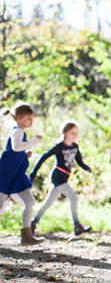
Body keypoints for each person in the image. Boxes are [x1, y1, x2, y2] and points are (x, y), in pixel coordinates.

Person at [29, 120, 93, 236]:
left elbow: (79, 161)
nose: (75, 135)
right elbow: (43, 157)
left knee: (48, 202)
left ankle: (33, 223)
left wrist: (86, 167)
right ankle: (77, 226)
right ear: (65, 133)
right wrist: (33, 173)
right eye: (72, 133)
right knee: (74, 198)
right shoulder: (59, 147)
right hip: (58, 177)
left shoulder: (75, 147)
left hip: (65, 177)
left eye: (76, 133)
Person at [0, 103, 44, 245]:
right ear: (19, 118)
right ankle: (26, 236)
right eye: (29, 118)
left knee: (29, 201)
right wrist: (34, 142)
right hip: (6, 176)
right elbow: (16, 146)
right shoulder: (17, 131)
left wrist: (25, 154)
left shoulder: (19, 132)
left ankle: (27, 236)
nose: (31, 121)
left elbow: (17, 150)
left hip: (16, 176)